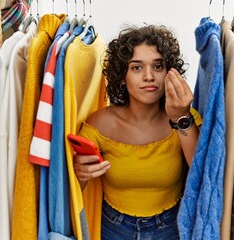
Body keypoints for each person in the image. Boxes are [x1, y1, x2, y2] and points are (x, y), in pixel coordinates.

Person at [73, 24, 202, 240]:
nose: (149, 76)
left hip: (171, 228)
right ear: (122, 76)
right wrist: (79, 174)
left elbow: (202, 175)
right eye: (136, 67)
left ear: (169, 72)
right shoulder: (100, 124)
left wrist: (181, 118)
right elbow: (72, 192)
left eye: (158, 66)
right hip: (113, 228)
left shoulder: (185, 118)